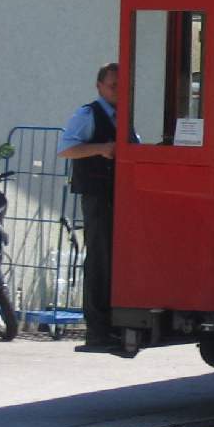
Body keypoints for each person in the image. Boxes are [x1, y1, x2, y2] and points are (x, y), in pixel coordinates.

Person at [58, 63, 120, 351]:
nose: (118, 91)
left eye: (122, 86)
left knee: (113, 259)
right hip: (96, 195)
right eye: (112, 86)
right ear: (99, 86)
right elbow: (66, 148)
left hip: (116, 194)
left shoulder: (122, 116)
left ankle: (113, 323)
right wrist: (100, 148)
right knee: (99, 258)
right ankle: (96, 329)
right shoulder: (88, 114)